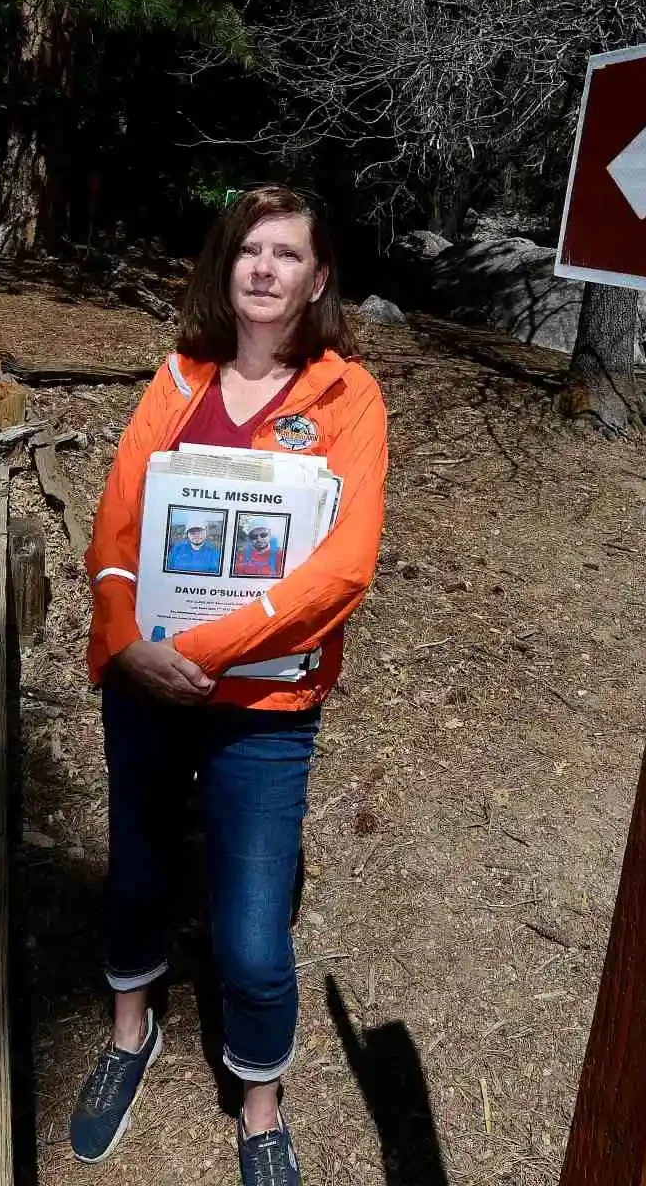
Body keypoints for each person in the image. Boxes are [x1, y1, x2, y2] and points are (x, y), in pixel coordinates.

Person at [75, 186, 388, 1186]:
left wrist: (206, 646)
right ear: (227, 267)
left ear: (317, 277)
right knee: (134, 874)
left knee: (252, 934)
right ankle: (130, 1034)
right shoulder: (177, 378)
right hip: (144, 686)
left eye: (285, 254)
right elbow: (116, 527)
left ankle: (260, 1105)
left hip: (263, 709)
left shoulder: (349, 398)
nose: (262, 268)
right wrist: (126, 641)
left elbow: (341, 568)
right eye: (248, 250)